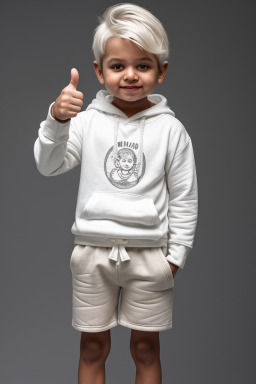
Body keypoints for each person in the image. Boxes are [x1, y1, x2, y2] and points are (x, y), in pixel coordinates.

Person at [34, 3, 198, 384]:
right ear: (99, 70)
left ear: (161, 71)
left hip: (150, 256)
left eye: (143, 65)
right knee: (92, 348)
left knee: (146, 349)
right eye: (118, 65)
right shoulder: (86, 122)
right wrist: (57, 120)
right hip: (93, 255)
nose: (130, 75)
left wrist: (175, 258)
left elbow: (185, 197)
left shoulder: (172, 132)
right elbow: (48, 164)